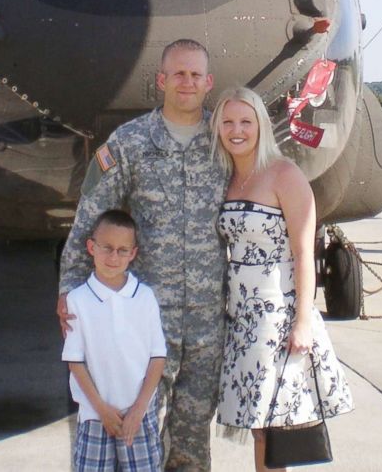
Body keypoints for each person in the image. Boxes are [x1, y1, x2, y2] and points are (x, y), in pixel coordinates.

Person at [58, 39, 228, 471]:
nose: (187, 82)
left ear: (208, 83)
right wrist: (69, 292)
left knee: (193, 439)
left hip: (209, 321)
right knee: (137, 437)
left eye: (195, 75)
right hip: (144, 321)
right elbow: (89, 220)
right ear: (161, 81)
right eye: (178, 74)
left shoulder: (224, 140)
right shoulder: (130, 143)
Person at [210, 87, 353, 472]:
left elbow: (305, 253)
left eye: (245, 121)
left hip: (278, 315)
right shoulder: (226, 178)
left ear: (260, 126)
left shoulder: (284, 175)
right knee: (259, 424)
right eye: (227, 122)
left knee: (276, 429)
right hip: (241, 318)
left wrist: (303, 321)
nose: (236, 130)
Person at [63, 210, 166, 471]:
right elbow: (75, 362)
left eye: (122, 250)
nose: (113, 257)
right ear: (91, 247)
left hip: (138, 417)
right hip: (95, 416)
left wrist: (139, 409)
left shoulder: (145, 297)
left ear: (133, 254)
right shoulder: (77, 300)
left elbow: (157, 357)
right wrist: (102, 410)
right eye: (107, 248)